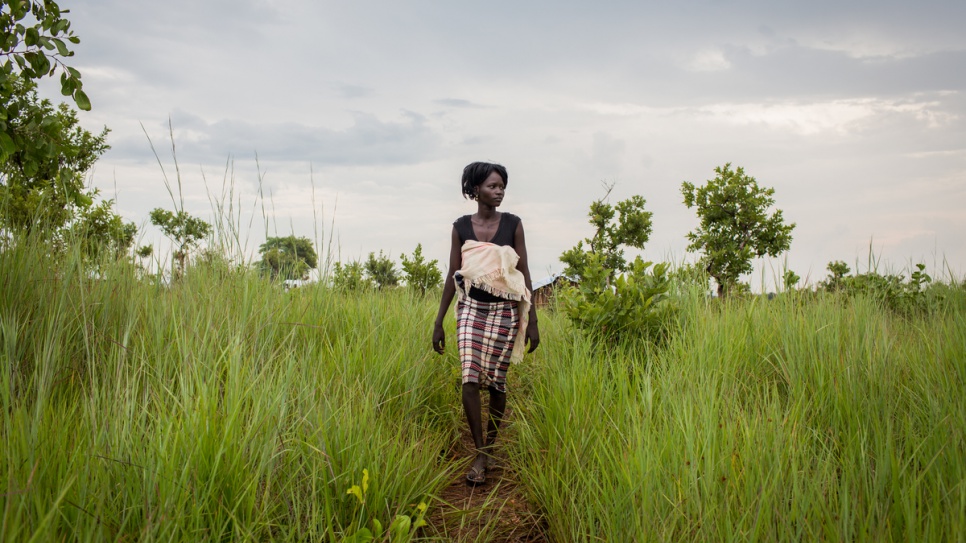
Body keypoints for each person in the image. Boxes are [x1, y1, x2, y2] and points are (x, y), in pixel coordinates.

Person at [433, 161, 540, 486]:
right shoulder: (461, 228)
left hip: (505, 313)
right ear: (475, 190)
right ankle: (480, 454)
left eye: (502, 186)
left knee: (496, 383)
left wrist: (531, 320)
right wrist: (438, 322)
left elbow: (523, 275)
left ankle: (490, 448)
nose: (499, 191)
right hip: (471, 310)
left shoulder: (513, 225)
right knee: (469, 379)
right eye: (493, 186)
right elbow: (454, 276)